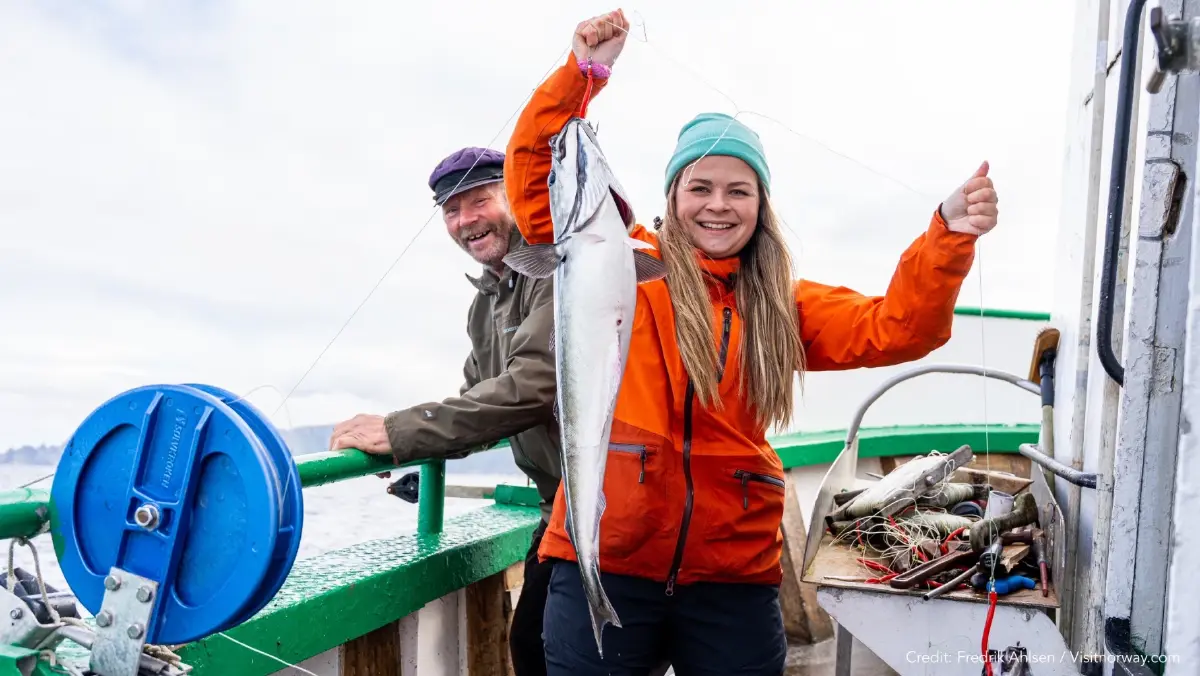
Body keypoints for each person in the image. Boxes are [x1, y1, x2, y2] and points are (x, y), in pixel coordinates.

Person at [502, 9, 1000, 675]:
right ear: (670, 196)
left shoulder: (783, 305)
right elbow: (537, 184)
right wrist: (584, 74)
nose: (718, 204)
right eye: (699, 187)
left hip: (731, 576)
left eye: (739, 190)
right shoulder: (625, 264)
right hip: (608, 555)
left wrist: (948, 234)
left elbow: (902, 327)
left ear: (761, 206)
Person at [328, 147, 561, 676]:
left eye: (480, 200)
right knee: (532, 647)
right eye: (451, 211)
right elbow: (478, 399)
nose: (466, 220)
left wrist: (399, 430)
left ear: (520, 197)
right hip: (558, 512)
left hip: (606, 504)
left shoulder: (555, 269)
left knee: (564, 653)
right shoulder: (486, 303)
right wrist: (400, 436)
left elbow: (532, 387)